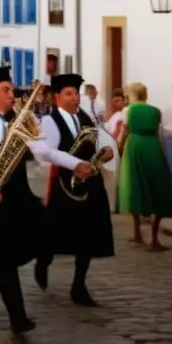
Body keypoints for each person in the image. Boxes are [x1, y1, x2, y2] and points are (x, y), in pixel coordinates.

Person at [0, 66, 96, 334]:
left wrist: (75, 163)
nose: (11, 95)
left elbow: (43, 150)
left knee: (44, 229)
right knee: (3, 258)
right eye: (5, 90)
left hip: (18, 197)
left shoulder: (23, 119)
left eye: (11, 89)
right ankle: (17, 317)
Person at [35, 73, 116, 306]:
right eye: (68, 94)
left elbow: (100, 141)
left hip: (90, 180)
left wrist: (106, 152)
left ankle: (79, 286)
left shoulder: (86, 118)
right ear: (56, 97)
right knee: (56, 230)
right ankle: (44, 258)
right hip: (65, 182)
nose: (74, 99)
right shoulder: (50, 121)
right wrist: (73, 164)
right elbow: (47, 152)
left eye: (76, 94)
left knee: (88, 234)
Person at [117, 82, 172, 250]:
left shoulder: (128, 110)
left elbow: (123, 132)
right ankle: (154, 238)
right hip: (153, 146)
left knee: (135, 184)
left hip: (134, 145)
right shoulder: (156, 111)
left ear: (131, 95)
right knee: (158, 185)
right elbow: (160, 132)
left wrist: (119, 147)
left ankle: (137, 233)